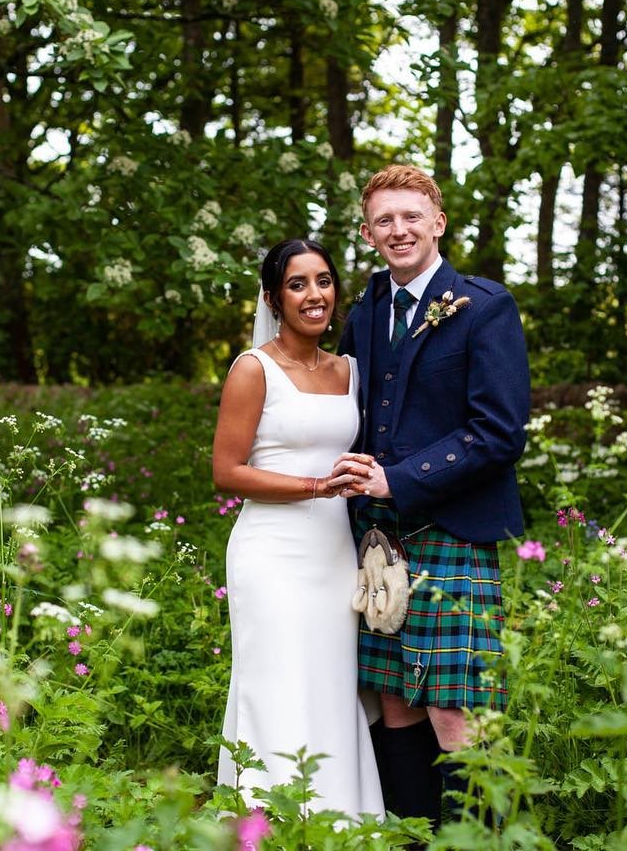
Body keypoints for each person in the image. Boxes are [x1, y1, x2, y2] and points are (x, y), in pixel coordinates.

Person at [332, 165, 531, 826]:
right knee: (395, 699)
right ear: (367, 233)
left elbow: (499, 432)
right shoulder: (363, 313)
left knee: (454, 708)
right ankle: (415, 840)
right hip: (379, 536)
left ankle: (479, 843)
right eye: (384, 220)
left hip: (454, 527)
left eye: (411, 216)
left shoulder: (484, 306)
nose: (399, 230)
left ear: (437, 222)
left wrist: (402, 476)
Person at [212, 238, 385, 818]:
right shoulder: (253, 368)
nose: (315, 295)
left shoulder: (352, 371)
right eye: (297, 284)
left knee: (331, 685)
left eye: (324, 281)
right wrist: (315, 488)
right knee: (279, 682)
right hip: (273, 554)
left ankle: (343, 820)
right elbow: (227, 471)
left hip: (334, 551)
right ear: (273, 297)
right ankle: (269, 820)